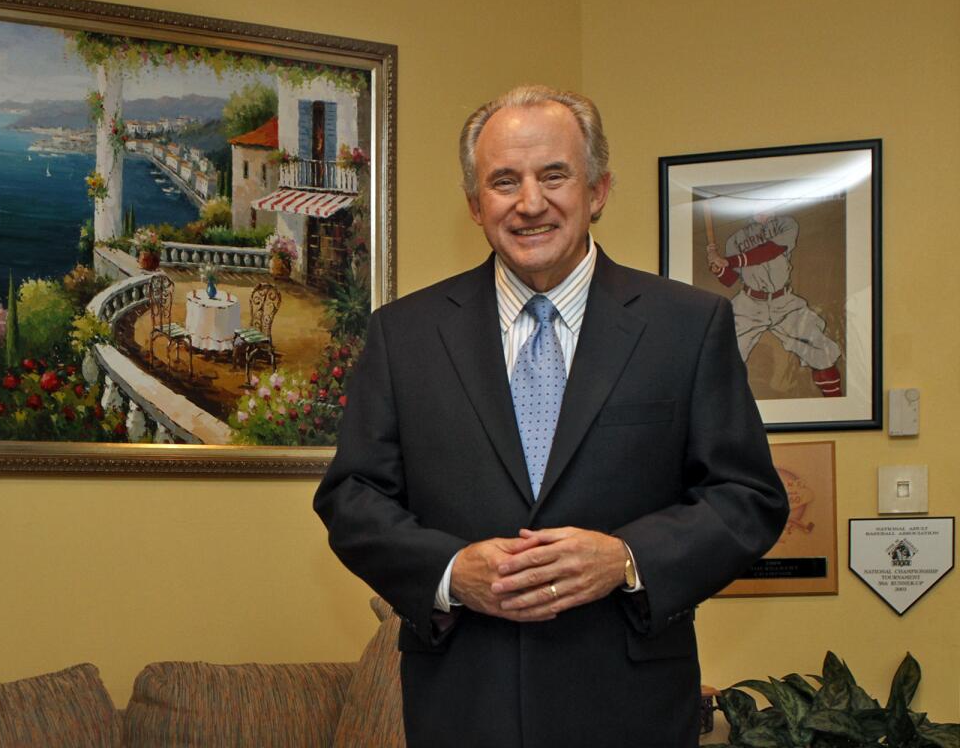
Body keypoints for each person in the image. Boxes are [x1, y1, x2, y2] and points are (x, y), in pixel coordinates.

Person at [313, 85, 789, 747]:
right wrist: (452, 574)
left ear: (597, 190)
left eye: (554, 175)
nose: (529, 202)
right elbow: (352, 499)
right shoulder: (405, 336)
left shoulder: (686, 326)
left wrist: (626, 558)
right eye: (504, 181)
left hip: (632, 712)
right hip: (462, 709)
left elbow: (748, 499)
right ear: (477, 205)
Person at [707, 208, 844, 396]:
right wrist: (718, 268)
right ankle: (721, 413)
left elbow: (770, 251)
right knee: (725, 357)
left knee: (820, 349)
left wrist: (729, 261)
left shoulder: (786, 224)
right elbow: (730, 280)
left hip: (784, 301)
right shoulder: (736, 238)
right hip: (749, 303)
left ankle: (836, 407)